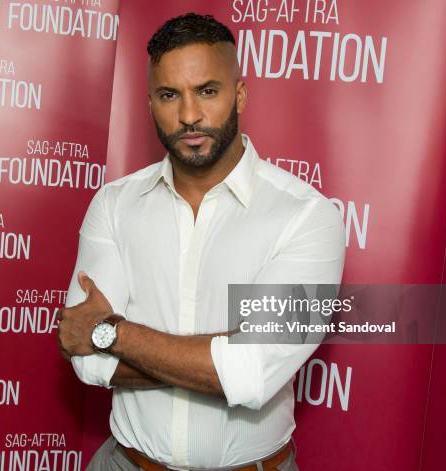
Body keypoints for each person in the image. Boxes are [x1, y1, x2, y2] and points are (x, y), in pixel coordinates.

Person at [57, 13, 345, 471]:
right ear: (150, 102)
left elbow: (251, 374)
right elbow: (88, 364)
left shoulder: (307, 217)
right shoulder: (114, 205)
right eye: (170, 95)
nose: (189, 115)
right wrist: (220, 354)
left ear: (240, 94)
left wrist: (112, 332)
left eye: (207, 91)